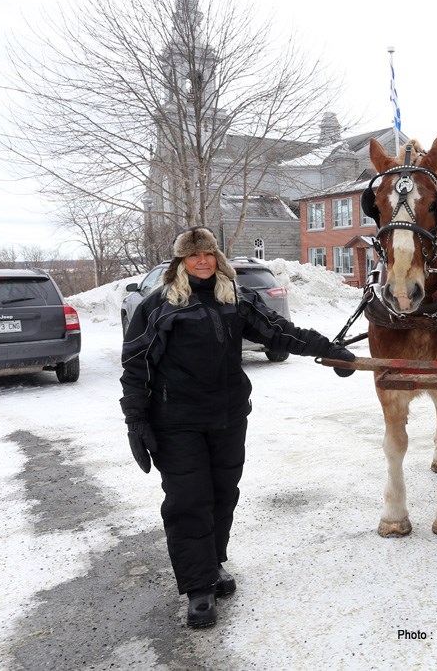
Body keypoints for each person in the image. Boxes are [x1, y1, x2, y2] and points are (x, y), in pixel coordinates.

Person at [120, 226, 356, 629]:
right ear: (181, 262)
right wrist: (136, 419)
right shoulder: (159, 305)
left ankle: (213, 564)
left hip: (228, 417)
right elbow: (136, 364)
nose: (202, 261)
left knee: (222, 494)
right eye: (194, 256)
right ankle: (198, 589)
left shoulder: (235, 299)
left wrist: (329, 351)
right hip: (177, 422)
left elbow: (280, 332)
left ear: (218, 258)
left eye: (208, 254)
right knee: (188, 501)